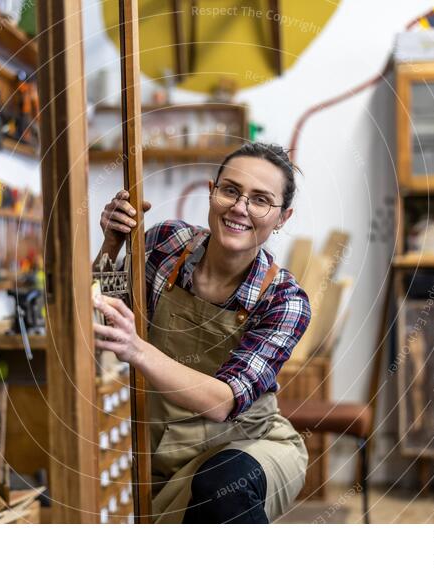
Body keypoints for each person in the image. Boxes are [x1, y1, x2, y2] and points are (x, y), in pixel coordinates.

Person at [93, 142, 311, 523]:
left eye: (261, 200)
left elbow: (223, 402)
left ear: (282, 217)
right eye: (230, 190)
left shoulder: (284, 300)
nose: (240, 208)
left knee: (224, 487)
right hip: (161, 450)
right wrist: (112, 243)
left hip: (247, 444)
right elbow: (107, 315)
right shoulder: (165, 244)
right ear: (212, 191)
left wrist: (138, 349)